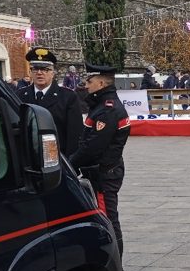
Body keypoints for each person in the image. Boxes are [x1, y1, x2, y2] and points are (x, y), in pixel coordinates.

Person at [69, 63, 131, 254]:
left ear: (102, 83)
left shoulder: (107, 109)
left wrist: (70, 163)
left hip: (104, 174)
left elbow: (93, 146)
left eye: (90, 81)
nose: (86, 85)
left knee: (107, 220)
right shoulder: (101, 105)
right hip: (102, 171)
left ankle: (116, 270)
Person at [18, 46, 82, 156]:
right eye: (35, 69)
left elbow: (74, 135)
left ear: (53, 72)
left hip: (57, 158)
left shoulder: (68, 97)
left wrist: (70, 164)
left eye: (45, 69)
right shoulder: (20, 95)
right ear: (30, 72)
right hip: (28, 158)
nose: (39, 73)